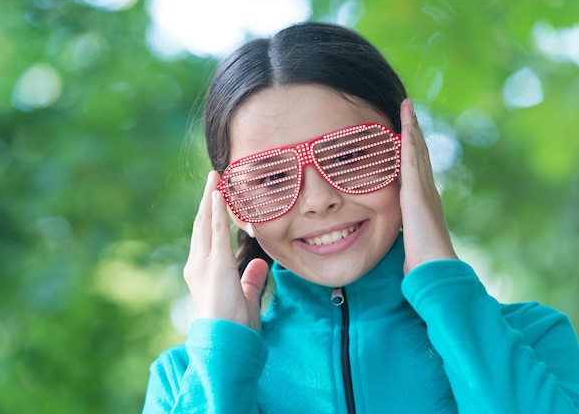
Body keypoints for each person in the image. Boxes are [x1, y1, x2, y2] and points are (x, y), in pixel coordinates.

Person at [142, 22, 579, 413]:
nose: (318, 200)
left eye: (350, 154)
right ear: (233, 206)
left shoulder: (532, 339)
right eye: (271, 178)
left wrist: (442, 282)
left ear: (412, 154)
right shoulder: (184, 381)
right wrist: (223, 357)